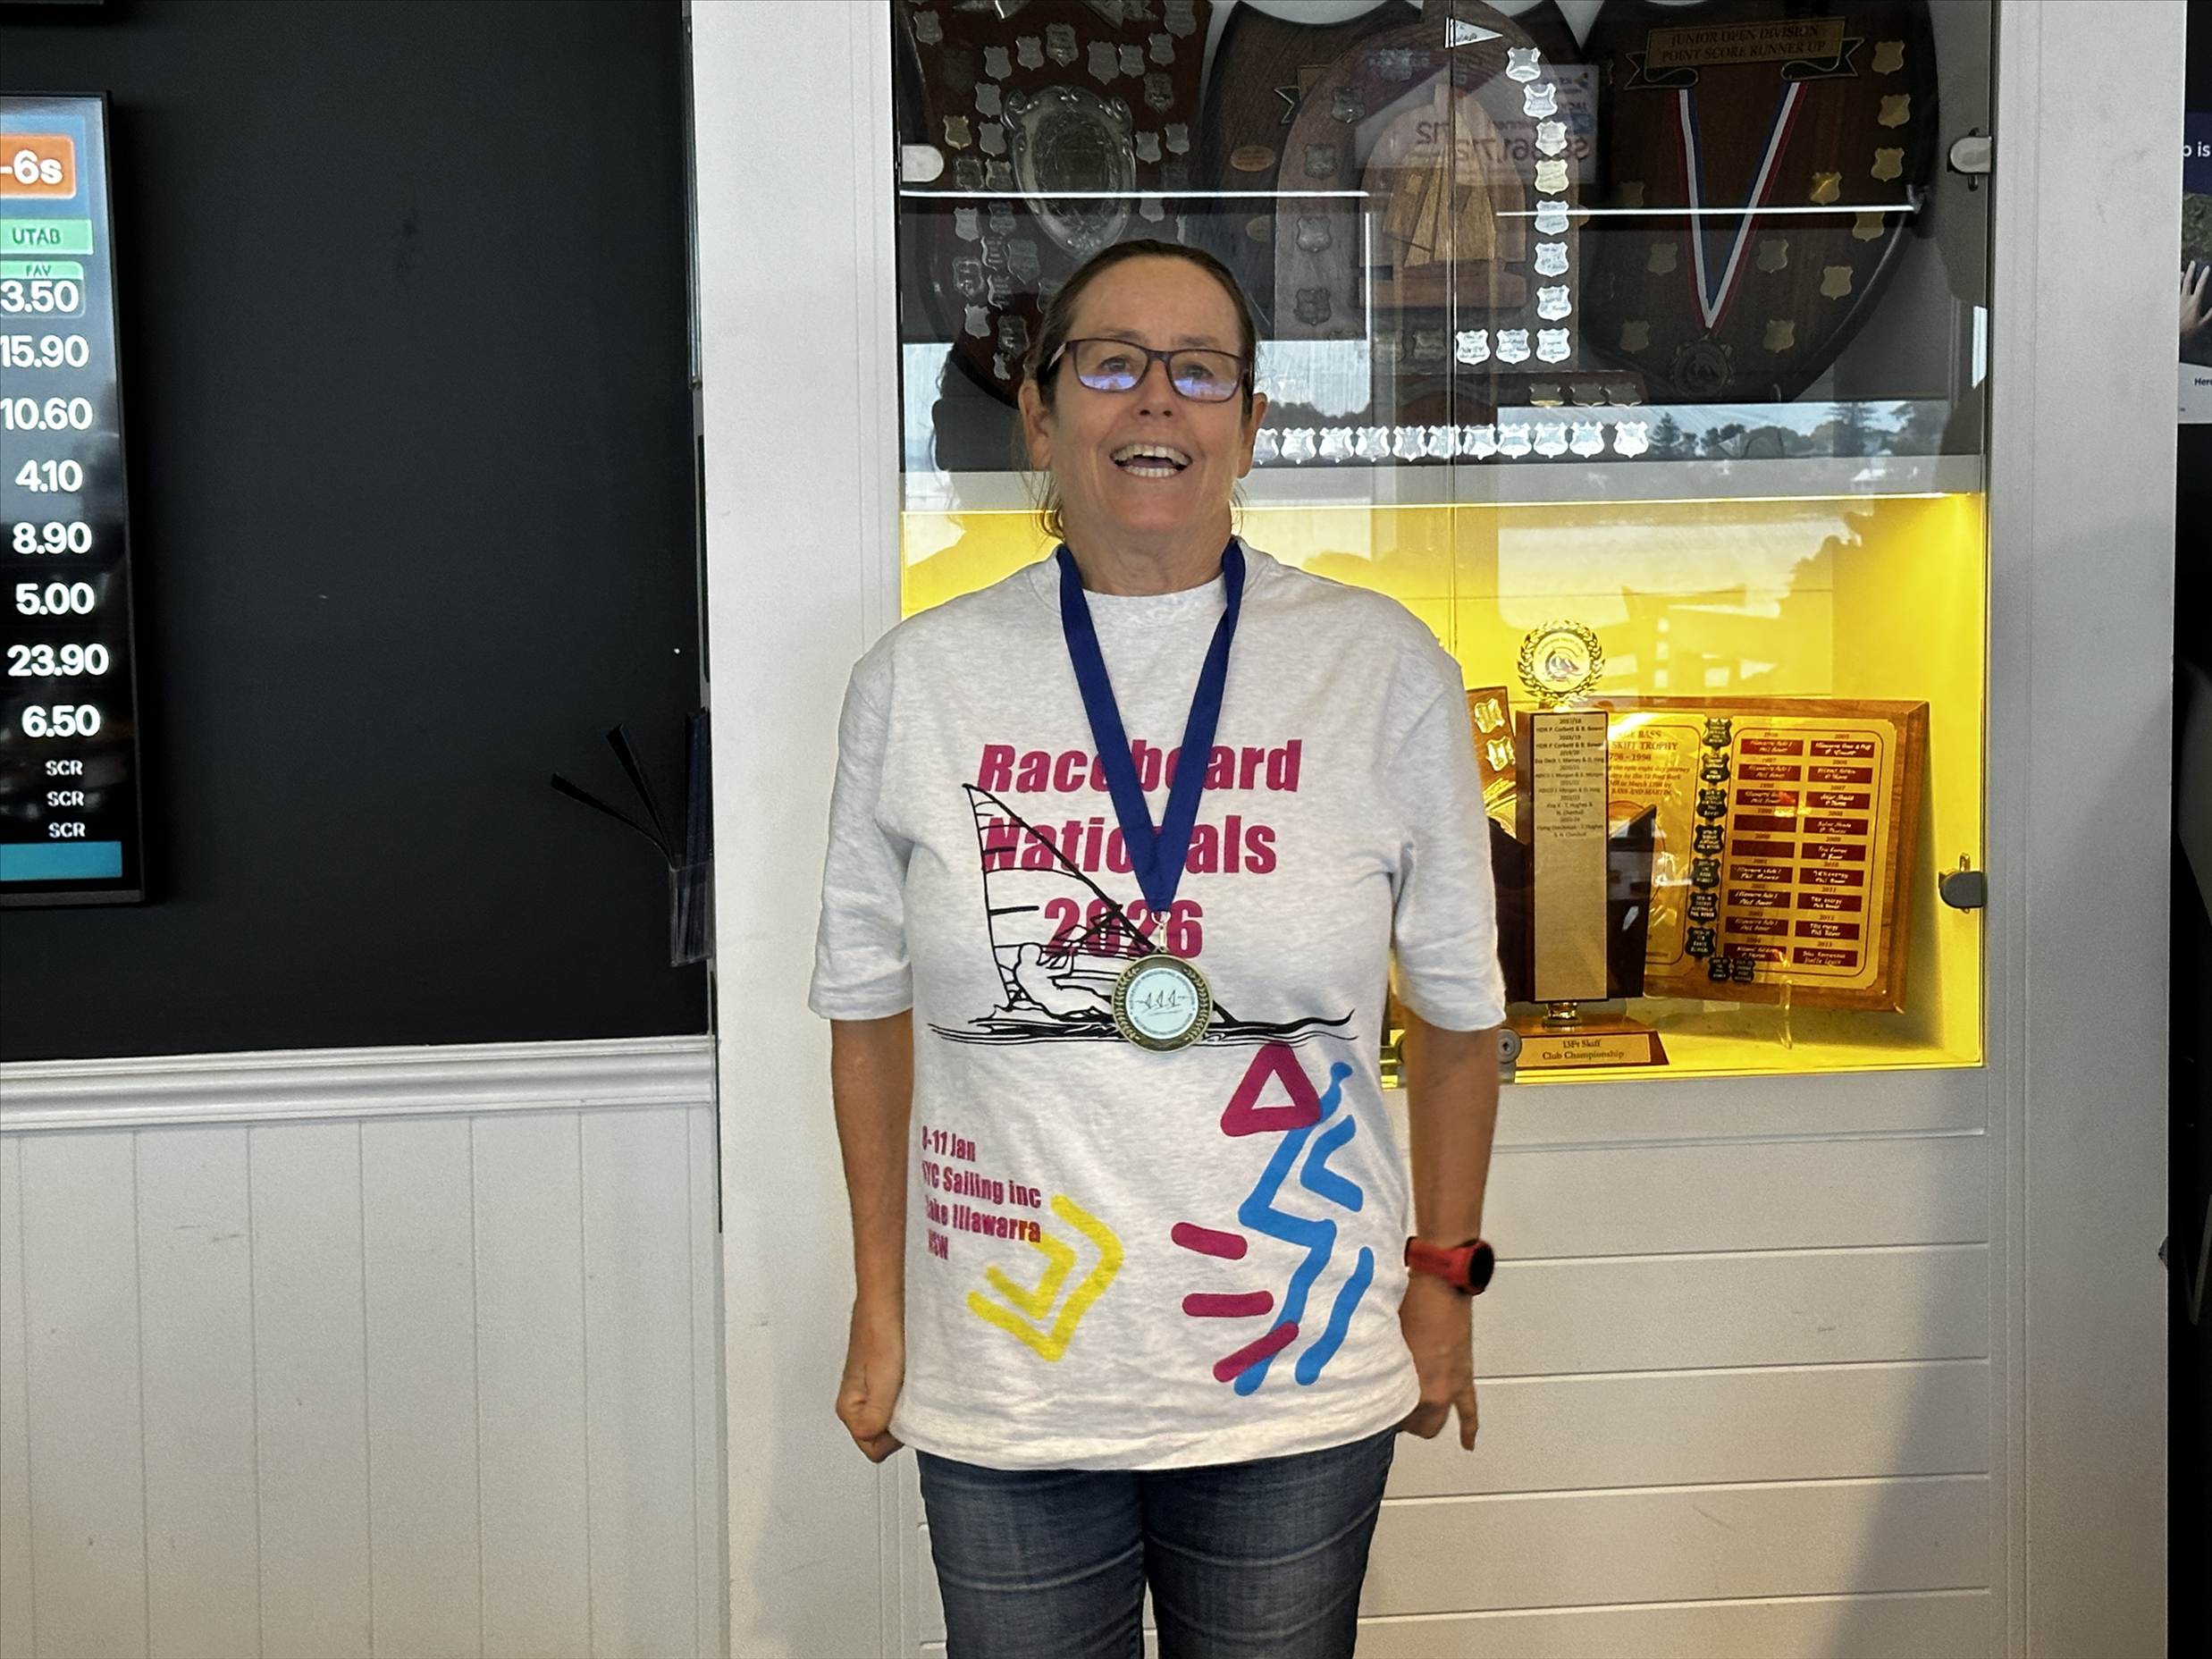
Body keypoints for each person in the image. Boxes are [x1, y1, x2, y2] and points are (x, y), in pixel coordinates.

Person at [809, 238, 1505, 1659]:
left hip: (1294, 1366)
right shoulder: (919, 683)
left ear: (1251, 424)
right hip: (1010, 1371)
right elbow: (866, 1017)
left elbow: (1456, 1012)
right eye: (1112, 363)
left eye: (1201, 372)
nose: (1156, 402)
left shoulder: (1378, 670)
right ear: (1039, 412)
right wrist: (882, 1307)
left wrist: (1443, 1276)